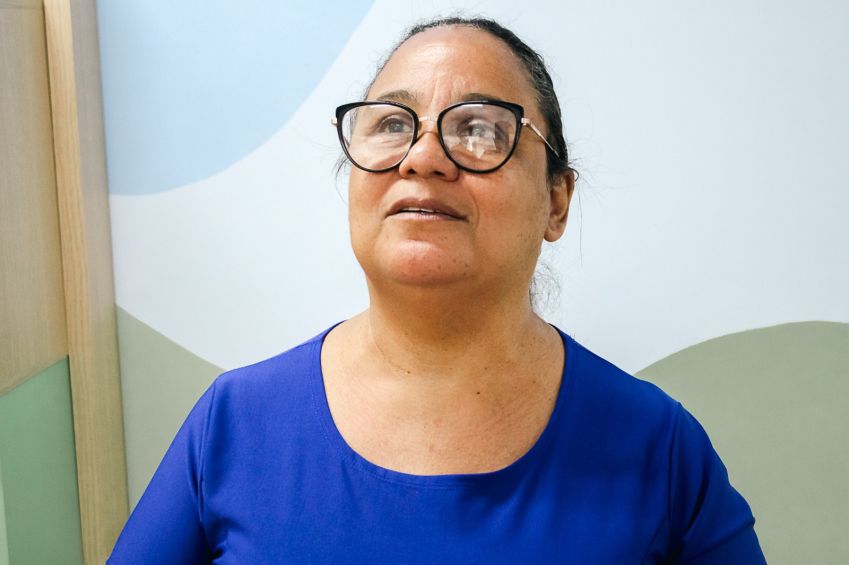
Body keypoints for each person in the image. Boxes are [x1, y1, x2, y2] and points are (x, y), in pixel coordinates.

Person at [108, 17, 765, 563]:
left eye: (480, 128)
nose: (422, 157)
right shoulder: (234, 424)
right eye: (392, 124)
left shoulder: (658, 448)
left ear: (556, 202)